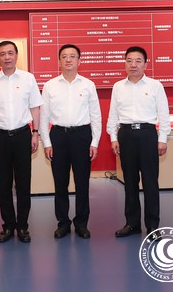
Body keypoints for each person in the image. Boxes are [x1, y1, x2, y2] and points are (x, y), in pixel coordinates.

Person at [106, 46, 170, 238]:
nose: (133, 65)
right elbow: (113, 115)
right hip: (126, 136)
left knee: (150, 182)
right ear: (125, 63)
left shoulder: (155, 86)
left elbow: (164, 114)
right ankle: (132, 223)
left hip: (148, 135)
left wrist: (163, 139)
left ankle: (152, 226)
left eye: (138, 61)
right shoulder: (118, 87)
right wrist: (113, 137)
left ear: (145, 64)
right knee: (130, 182)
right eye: (129, 61)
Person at [0, 41, 42, 243]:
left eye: (10, 53)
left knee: (23, 184)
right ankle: (8, 226)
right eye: (2, 54)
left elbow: (35, 108)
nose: (7, 57)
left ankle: (23, 226)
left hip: (22, 135)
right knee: (3, 184)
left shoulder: (28, 78)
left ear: (17, 55)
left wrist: (35, 133)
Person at [39, 44, 101, 240]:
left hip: (82, 136)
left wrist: (95, 141)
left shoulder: (88, 85)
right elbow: (43, 117)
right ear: (59, 61)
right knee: (60, 183)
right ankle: (63, 223)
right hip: (58, 136)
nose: (68, 59)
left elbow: (96, 115)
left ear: (79, 61)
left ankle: (81, 224)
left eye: (72, 56)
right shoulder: (50, 85)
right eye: (64, 56)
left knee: (82, 183)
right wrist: (47, 142)